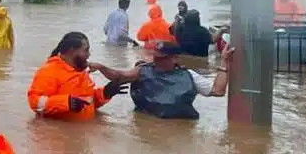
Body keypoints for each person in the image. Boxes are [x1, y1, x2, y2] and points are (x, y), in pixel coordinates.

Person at [93, 41, 235, 120]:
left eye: (162, 58)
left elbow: (218, 91)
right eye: (155, 57)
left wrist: (224, 62)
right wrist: (101, 67)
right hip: (148, 127)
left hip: (180, 130)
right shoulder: (142, 70)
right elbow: (119, 76)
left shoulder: (189, 75)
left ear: (175, 58)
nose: (157, 61)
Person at [27, 32, 129, 121]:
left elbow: (87, 101)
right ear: (72, 51)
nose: (88, 55)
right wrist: (66, 103)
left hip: (83, 134)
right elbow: (35, 102)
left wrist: (105, 93)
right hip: (60, 139)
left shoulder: (80, 71)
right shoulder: (49, 71)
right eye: (86, 50)